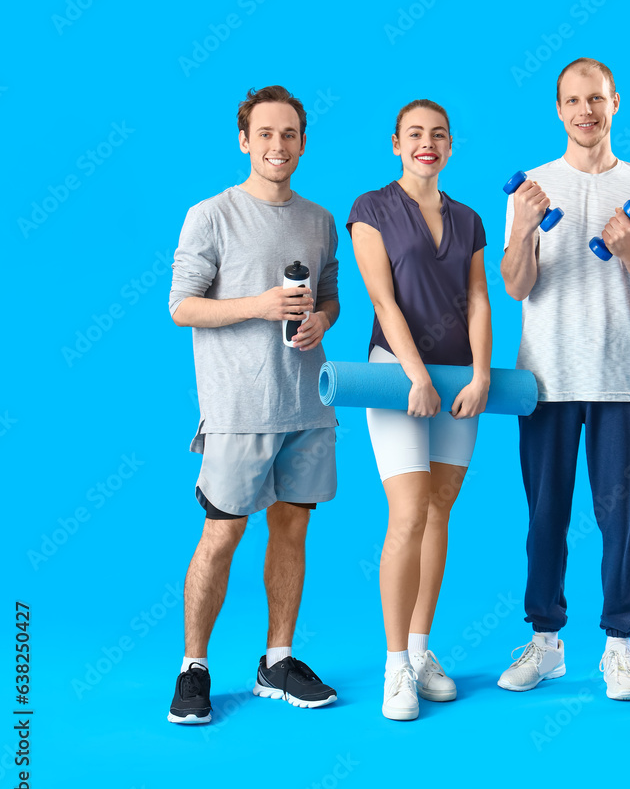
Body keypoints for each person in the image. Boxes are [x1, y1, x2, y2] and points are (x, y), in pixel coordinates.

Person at [499, 58, 630, 701]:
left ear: (615, 102)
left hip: (618, 378)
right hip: (543, 380)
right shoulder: (532, 187)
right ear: (558, 108)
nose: (585, 111)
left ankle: (619, 649)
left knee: (619, 517)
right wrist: (521, 229)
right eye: (573, 100)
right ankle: (546, 643)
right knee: (545, 516)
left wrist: (629, 250)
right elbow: (516, 285)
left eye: (595, 99)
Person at [166, 85, 340, 724]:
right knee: (223, 532)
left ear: (302, 142)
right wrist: (260, 305)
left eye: (289, 134)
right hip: (239, 407)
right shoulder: (209, 215)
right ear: (245, 140)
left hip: (307, 405)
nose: (277, 145)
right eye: (265, 133)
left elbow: (329, 296)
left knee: (292, 528)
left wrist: (321, 318)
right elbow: (182, 305)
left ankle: (277, 660)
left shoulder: (320, 220)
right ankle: (194, 667)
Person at [347, 99, 491, 721]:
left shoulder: (470, 219)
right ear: (396, 144)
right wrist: (414, 376)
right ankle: (395, 668)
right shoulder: (371, 209)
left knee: (439, 512)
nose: (425, 143)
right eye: (414, 135)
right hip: (396, 376)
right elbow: (382, 298)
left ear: (450, 146)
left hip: (460, 380)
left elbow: (479, 298)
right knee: (407, 514)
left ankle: (422, 647)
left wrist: (482, 375)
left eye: (437, 135)